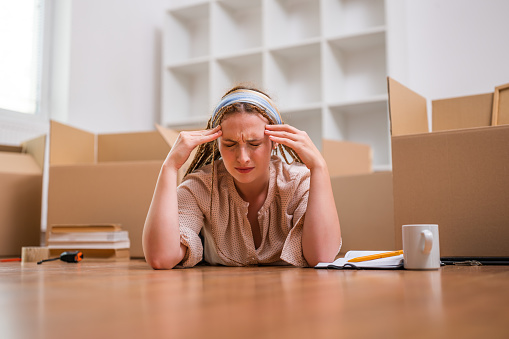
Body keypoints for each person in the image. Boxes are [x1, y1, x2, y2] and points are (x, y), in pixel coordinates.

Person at [143, 86, 341, 269]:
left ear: (275, 142)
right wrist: (169, 167)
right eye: (229, 144)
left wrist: (319, 167)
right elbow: (161, 257)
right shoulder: (201, 186)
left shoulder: (297, 182)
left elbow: (321, 257)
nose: (243, 158)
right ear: (216, 143)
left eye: (254, 144)